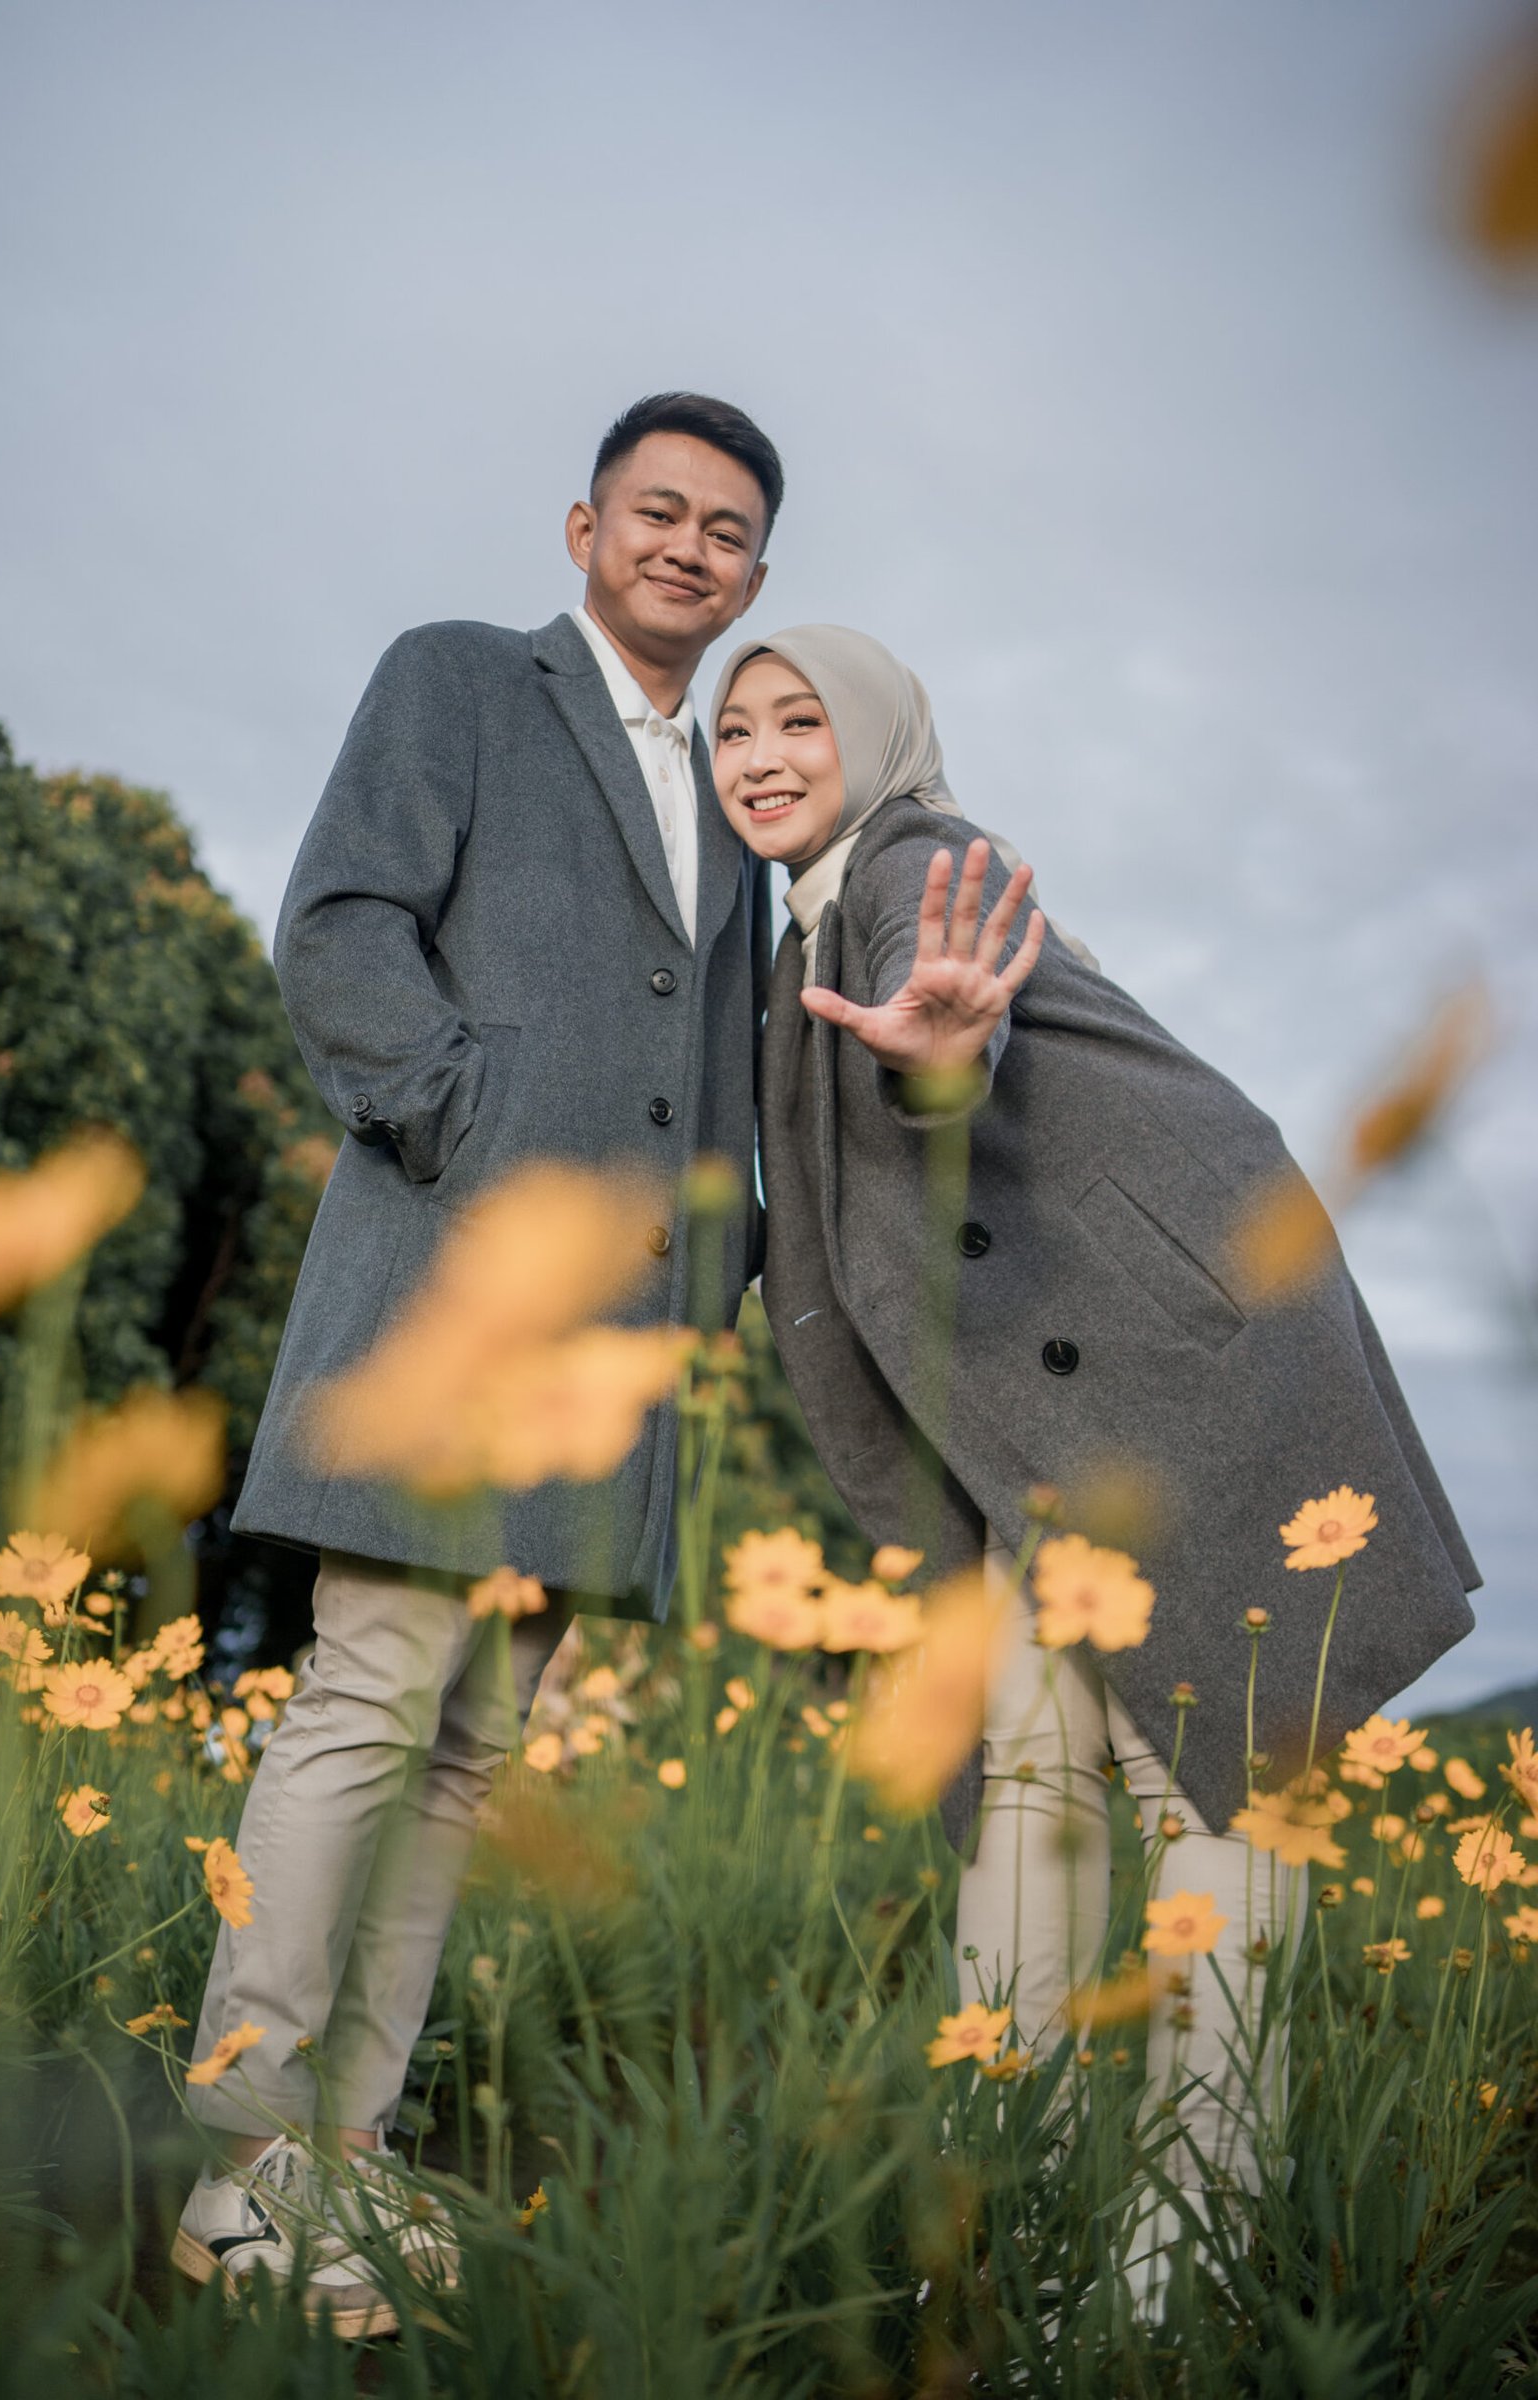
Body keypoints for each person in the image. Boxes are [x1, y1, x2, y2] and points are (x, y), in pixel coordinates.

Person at [708, 623, 1478, 2309]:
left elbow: (945, 1042)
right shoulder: (810, 928)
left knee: (1204, 1788)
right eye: (733, 730)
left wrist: (931, 1058)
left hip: (1181, 1373)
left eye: (798, 720)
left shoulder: (912, 866)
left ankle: (1170, 2278)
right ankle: (1016, 2227)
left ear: (878, 736)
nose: (758, 755)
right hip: (1060, 1411)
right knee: (1030, 1784)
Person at [174, 394, 783, 2334]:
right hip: (450, 1289)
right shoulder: (456, 677)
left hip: (618, 1361)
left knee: (464, 1757)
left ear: (755, 578)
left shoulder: (740, 802)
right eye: (658, 511)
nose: (688, 546)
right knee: (366, 1698)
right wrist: (465, 1124)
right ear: (584, 528)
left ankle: (347, 2154)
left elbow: (723, 1062)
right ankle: (240, 2165)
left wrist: (711, 1287)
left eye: (728, 532)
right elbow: (340, 926)